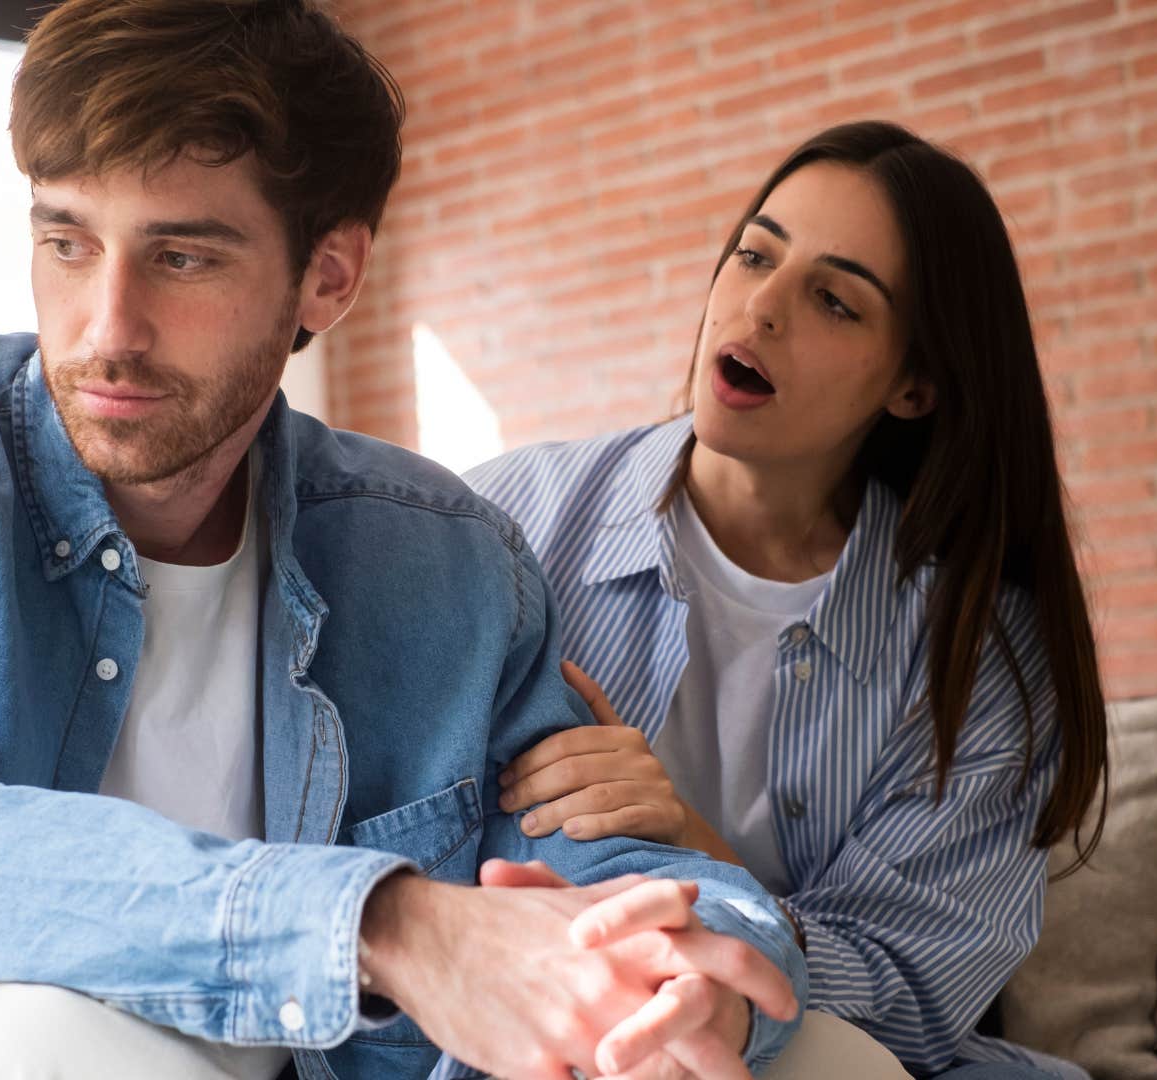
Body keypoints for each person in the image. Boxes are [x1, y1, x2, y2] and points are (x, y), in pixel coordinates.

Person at [0, 1, 809, 1078]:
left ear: (327, 277)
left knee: (800, 1054)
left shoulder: (449, 565)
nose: (107, 328)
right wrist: (388, 928)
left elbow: (623, 878)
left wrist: (686, 987)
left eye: (182, 259)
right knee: (49, 1039)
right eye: (68, 242)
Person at [466, 121, 1109, 1080]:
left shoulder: (976, 652)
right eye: (754, 254)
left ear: (915, 385)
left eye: (835, 302)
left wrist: (688, 843)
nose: (760, 307)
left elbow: (912, 993)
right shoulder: (508, 521)